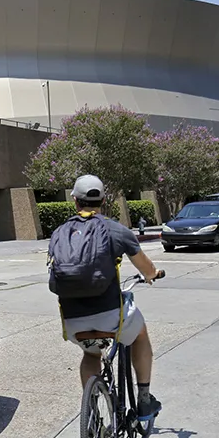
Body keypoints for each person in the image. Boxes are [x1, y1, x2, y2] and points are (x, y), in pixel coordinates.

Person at [54, 175, 162, 423]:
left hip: (72, 320)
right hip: (111, 317)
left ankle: (91, 412)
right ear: (103, 200)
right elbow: (147, 269)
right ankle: (144, 400)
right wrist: (152, 274)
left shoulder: (61, 233)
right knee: (140, 334)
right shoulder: (116, 230)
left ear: (74, 201)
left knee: (91, 353)